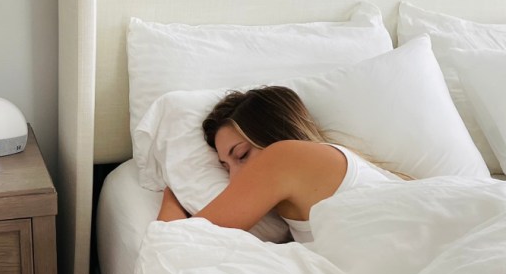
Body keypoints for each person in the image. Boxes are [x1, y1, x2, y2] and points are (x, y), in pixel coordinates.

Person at [156, 86, 400, 242]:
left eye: (241, 155)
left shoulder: (282, 157)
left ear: (274, 134)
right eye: (226, 167)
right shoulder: (334, 165)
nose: (234, 179)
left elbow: (178, 244)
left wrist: (173, 189)